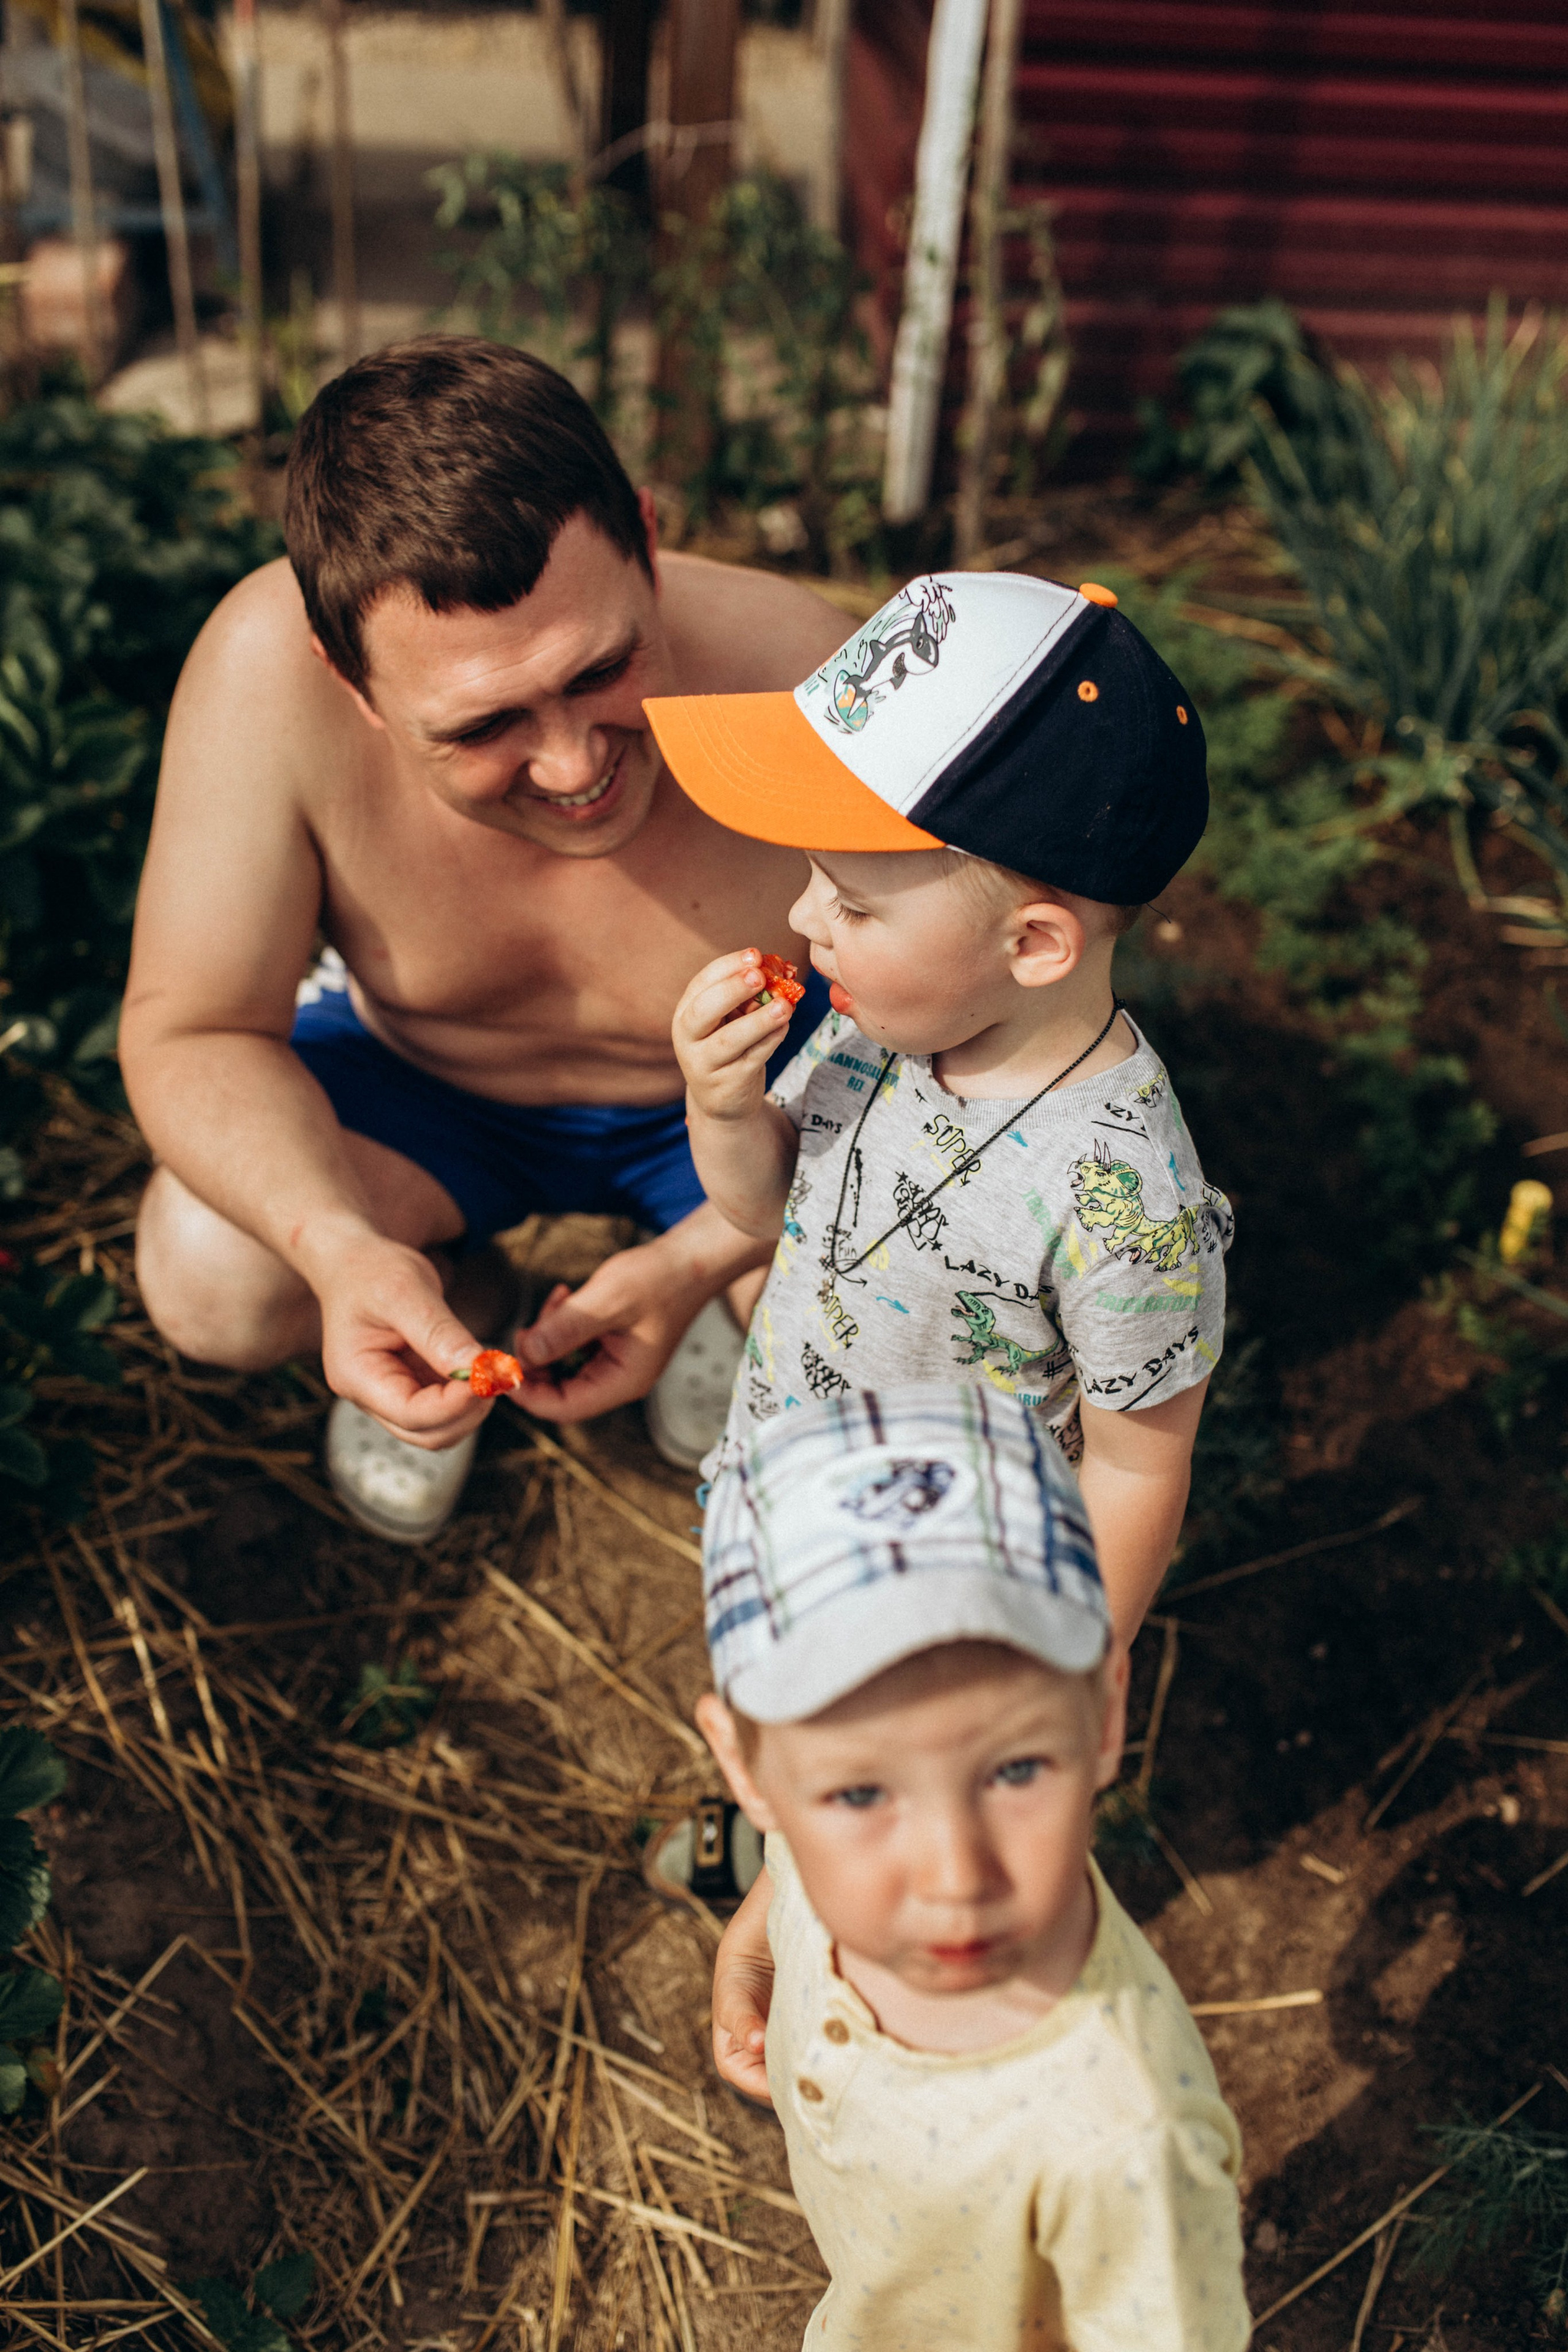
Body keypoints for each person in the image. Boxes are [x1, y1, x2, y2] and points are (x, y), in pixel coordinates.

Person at [118, 337, 848, 1539]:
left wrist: (704, 1261)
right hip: (428, 1089)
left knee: (894, 1318)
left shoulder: (813, 681)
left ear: (648, 543)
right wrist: (337, 1247)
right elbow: (191, 1025)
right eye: (481, 725)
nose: (572, 766)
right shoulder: (260, 678)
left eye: (603, 667)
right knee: (215, 1276)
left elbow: (964, 1035)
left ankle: (740, 1313)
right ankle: (450, 1292)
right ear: (345, 681)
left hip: (767, 1112)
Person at [660, 570, 1232, 1649]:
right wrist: (725, 1108)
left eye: (853, 901)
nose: (800, 917)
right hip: (789, 1490)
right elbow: (764, 1213)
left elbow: (1138, 1461)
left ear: (1032, 945)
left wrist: (1076, 1665)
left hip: (956, 1592)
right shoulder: (877, 1028)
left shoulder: (1125, 1207)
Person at [693, 1383, 1250, 2352]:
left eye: (1015, 1770)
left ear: (1106, 1714)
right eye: (861, 1796)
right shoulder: (813, 1854)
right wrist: (765, 1916)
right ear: (751, 1775)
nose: (954, 1876)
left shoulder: (1123, 2144)